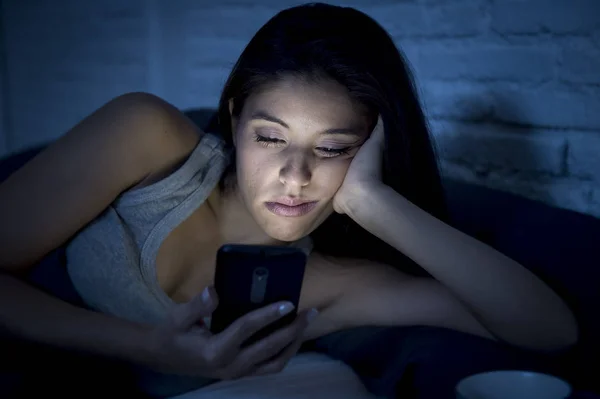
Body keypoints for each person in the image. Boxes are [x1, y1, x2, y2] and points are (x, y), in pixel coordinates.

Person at [0, 2, 578, 398]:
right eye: (271, 137)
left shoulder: (334, 282)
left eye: (332, 147)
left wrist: (376, 203)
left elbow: (550, 331)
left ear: (370, 149)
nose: (295, 175)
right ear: (235, 119)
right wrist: (147, 348)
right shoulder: (146, 134)